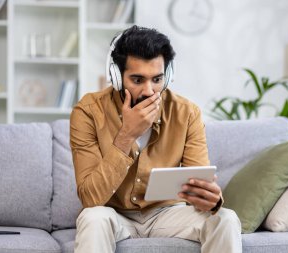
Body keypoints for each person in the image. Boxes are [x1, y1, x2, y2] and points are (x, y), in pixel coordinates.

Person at [70, 25, 242, 253]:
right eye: (137, 80)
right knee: (93, 218)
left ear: (167, 75)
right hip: (114, 214)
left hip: (168, 213)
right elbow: (90, 198)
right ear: (117, 76)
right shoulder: (88, 111)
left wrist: (211, 199)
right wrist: (126, 135)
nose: (150, 91)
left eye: (157, 79)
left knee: (226, 219)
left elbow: (198, 183)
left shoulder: (187, 113)